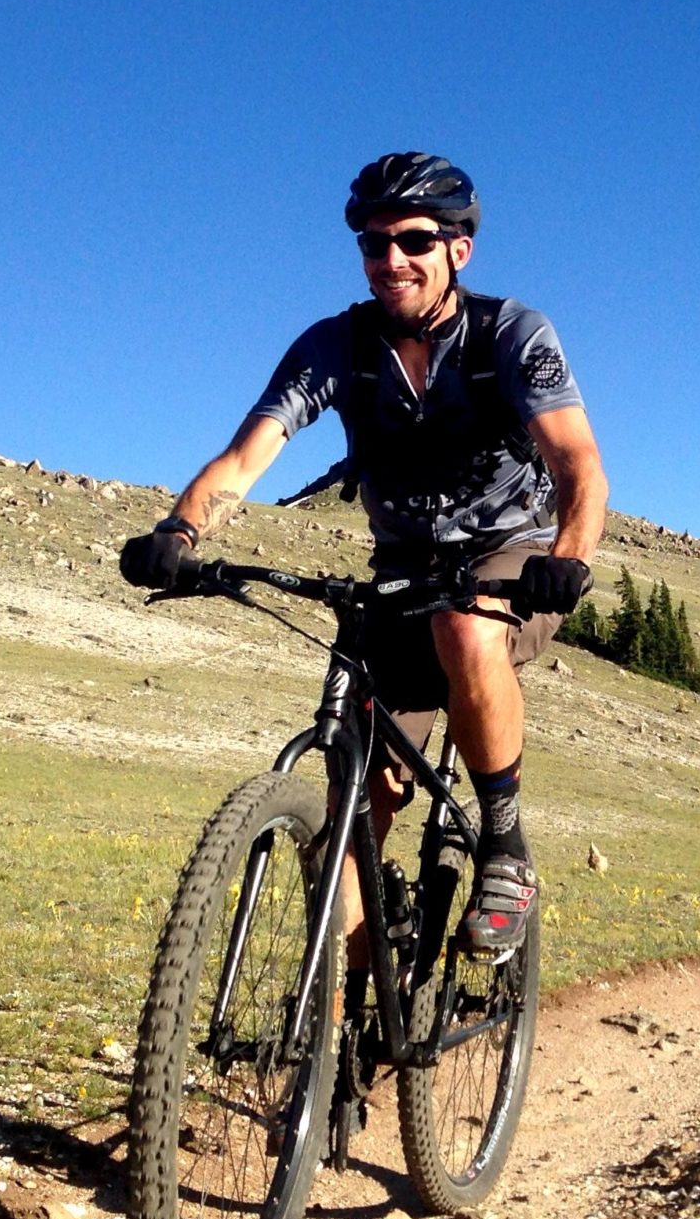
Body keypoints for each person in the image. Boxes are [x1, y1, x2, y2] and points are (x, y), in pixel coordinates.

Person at [120, 152, 608, 970]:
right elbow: (246, 458)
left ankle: (503, 843)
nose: (391, 261)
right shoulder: (336, 347)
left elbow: (578, 466)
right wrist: (181, 531)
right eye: (373, 244)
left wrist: (566, 556)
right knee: (350, 817)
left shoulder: (510, 335)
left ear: (459, 249)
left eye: (414, 240)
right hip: (402, 569)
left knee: (467, 630)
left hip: (510, 557)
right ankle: (346, 1036)